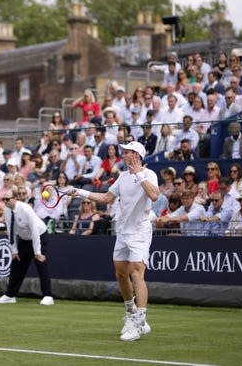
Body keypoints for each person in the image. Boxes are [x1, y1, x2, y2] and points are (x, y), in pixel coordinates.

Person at [71, 141, 157, 341]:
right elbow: (105, 198)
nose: (123, 154)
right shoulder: (122, 177)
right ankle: (130, 313)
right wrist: (79, 191)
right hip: (123, 231)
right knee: (121, 274)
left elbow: (154, 195)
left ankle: (140, 322)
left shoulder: (149, 174)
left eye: (127, 152)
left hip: (140, 232)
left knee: (136, 271)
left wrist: (139, 174)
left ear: (137, 155)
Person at [0, 187, 54, 306]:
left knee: (41, 264)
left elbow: (35, 231)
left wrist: (37, 252)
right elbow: (10, 231)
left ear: (15, 198)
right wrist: (14, 250)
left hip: (40, 236)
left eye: (7, 199)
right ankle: (10, 295)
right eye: (3, 199)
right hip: (24, 239)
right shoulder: (7, 210)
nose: (5, 202)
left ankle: (48, 296)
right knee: (17, 265)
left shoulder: (26, 209)